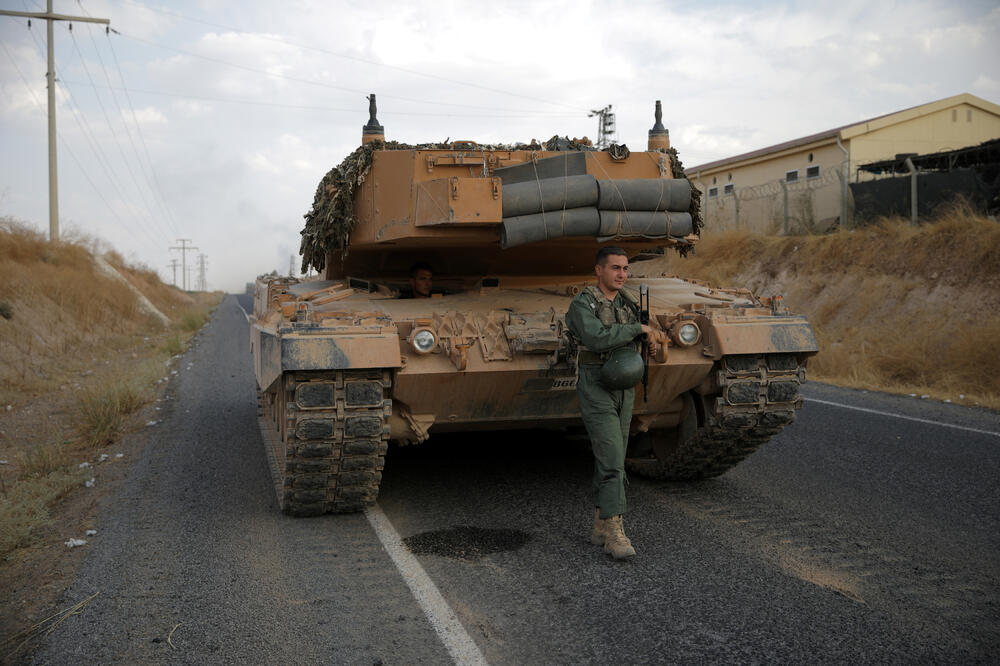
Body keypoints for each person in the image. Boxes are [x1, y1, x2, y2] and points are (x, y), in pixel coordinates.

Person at [565, 246, 658, 560]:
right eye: (615, 268)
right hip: (597, 383)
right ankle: (615, 530)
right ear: (599, 270)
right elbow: (596, 338)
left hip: (624, 385)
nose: (621, 274)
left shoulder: (630, 301)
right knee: (613, 456)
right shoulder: (583, 303)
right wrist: (636, 329)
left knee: (614, 452)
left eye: (625, 269)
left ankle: (601, 524)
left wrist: (653, 340)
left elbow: (644, 333)